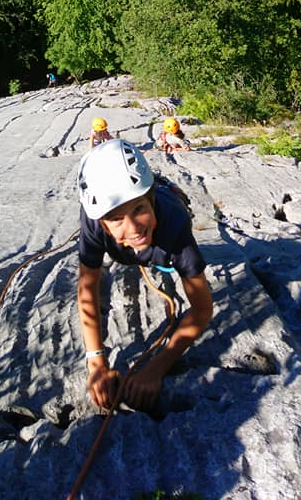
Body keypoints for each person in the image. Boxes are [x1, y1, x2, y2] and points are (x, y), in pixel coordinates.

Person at [77, 139, 212, 413]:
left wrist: (158, 366)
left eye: (139, 209)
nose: (134, 228)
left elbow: (202, 308)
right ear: (102, 222)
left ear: (151, 200)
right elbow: (88, 287)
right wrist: (96, 363)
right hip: (136, 239)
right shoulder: (92, 221)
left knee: (171, 256)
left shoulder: (174, 223)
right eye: (116, 218)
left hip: (164, 235)